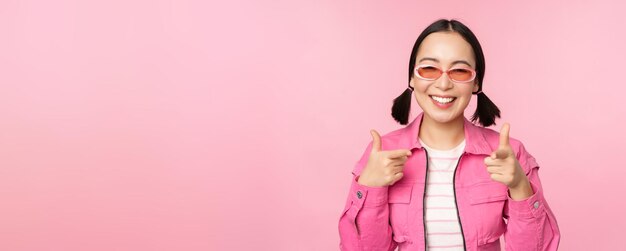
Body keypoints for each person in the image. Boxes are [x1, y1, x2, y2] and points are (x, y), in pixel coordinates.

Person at [338, 19, 560, 251]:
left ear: (476, 83)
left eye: (460, 71)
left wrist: (519, 186)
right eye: (429, 69)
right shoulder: (381, 154)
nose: (443, 84)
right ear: (412, 78)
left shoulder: (509, 154)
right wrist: (370, 187)